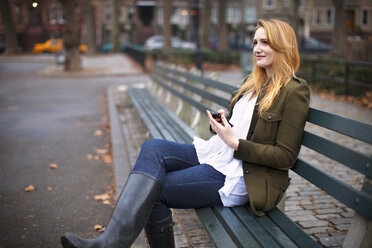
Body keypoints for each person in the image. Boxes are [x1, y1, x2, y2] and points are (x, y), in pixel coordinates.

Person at [60, 19, 310, 248]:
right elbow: (240, 128)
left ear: (283, 46)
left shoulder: (294, 91)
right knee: (153, 147)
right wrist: (222, 125)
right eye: (255, 42)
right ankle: (110, 241)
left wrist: (236, 143)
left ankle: (109, 243)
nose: (257, 48)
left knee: (154, 192)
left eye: (265, 42)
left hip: (241, 175)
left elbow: (285, 156)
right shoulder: (252, 84)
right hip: (218, 155)